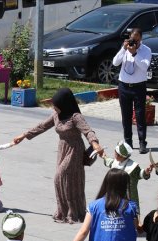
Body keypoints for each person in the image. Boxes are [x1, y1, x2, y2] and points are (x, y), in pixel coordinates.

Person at [13, 88, 103, 223]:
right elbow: (42, 126)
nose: (54, 107)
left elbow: (88, 131)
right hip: (62, 149)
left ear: (64, 103)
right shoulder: (56, 114)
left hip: (74, 150)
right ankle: (64, 212)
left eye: (56, 104)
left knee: (59, 176)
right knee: (65, 181)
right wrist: (24, 135)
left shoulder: (75, 117)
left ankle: (74, 212)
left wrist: (95, 144)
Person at [112, 28, 152, 154]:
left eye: (136, 39)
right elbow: (115, 62)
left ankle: (142, 143)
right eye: (132, 38)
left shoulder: (146, 50)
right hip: (124, 86)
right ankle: (128, 142)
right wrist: (124, 49)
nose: (134, 41)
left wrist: (135, 53)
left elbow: (144, 66)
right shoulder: (125, 48)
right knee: (126, 116)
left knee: (140, 116)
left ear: (141, 38)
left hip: (139, 87)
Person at [100, 141, 151, 216]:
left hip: (129, 196)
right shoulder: (116, 162)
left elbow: (140, 174)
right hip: (115, 194)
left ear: (123, 156)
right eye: (115, 152)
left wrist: (146, 172)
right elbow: (109, 162)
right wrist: (104, 156)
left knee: (130, 214)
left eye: (117, 154)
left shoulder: (133, 166)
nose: (115, 155)